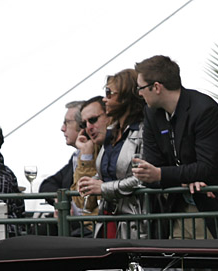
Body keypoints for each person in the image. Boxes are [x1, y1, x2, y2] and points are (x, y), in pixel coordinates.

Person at [132, 54, 218, 239]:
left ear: (156, 87)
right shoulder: (151, 114)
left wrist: (163, 175)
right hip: (179, 210)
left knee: (214, 266)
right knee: (181, 268)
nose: (139, 94)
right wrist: (184, 177)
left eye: (140, 88)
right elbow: (153, 166)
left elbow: (205, 168)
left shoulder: (204, 109)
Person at [76, 70, 149, 239]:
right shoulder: (111, 133)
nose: (104, 98)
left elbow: (142, 179)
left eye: (109, 93)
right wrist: (91, 181)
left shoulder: (143, 131)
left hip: (135, 224)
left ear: (125, 97)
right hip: (109, 218)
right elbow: (110, 173)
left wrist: (102, 187)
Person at [69, 96, 109, 230]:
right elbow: (81, 200)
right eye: (84, 124)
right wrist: (86, 155)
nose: (89, 128)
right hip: (95, 226)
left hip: (114, 224)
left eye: (93, 120)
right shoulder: (90, 148)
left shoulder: (127, 141)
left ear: (109, 116)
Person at [39, 101, 82, 209]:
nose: (62, 128)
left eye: (67, 122)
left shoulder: (99, 156)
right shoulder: (76, 157)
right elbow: (48, 184)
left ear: (82, 124)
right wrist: (59, 201)